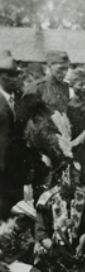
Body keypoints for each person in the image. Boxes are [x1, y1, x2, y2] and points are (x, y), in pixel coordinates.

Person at [34, 160, 85, 268]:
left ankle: (76, 260)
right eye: (72, 177)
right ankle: (62, 263)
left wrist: (81, 244)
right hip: (55, 245)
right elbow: (41, 233)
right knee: (45, 257)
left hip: (76, 243)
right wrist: (59, 252)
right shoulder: (46, 199)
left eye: (77, 177)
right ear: (59, 178)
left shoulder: (81, 195)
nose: (76, 180)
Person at [0, 50, 24, 218]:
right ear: (2, 77)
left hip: (15, 172)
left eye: (18, 74)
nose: (17, 78)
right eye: (13, 75)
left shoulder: (20, 100)